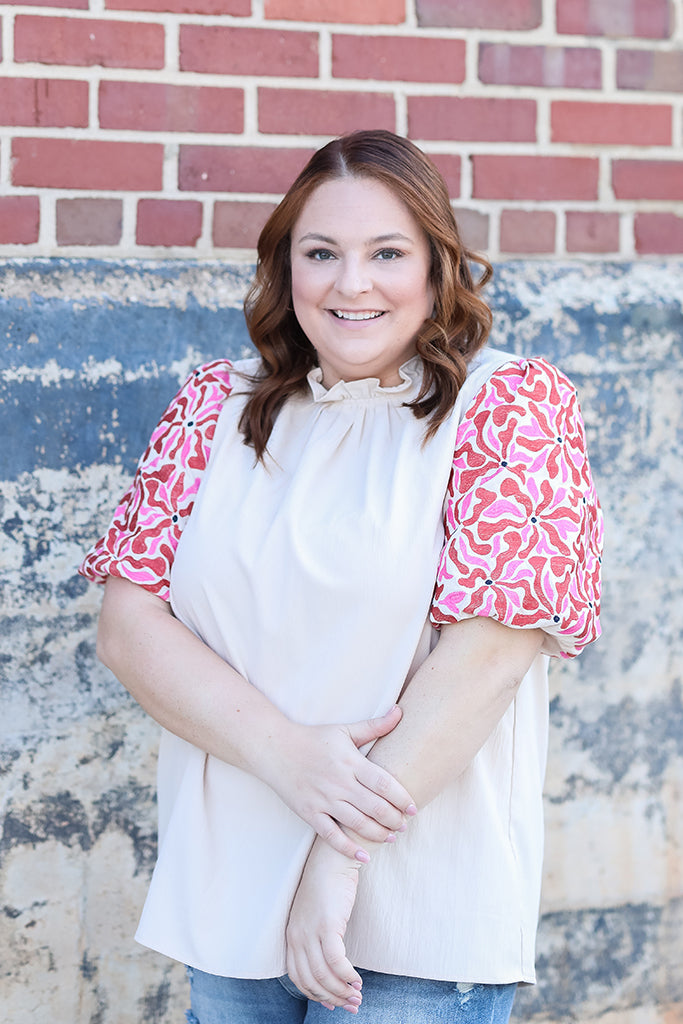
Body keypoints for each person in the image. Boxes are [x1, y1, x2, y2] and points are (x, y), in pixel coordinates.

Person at [80, 129, 603, 1023]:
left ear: (438, 268)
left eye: (387, 253)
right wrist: (292, 760)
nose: (350, 284)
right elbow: (129, 629)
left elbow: (485, 662)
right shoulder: (214, 407)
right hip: (230, 889)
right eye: (320, 253)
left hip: (414, 910)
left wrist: (337, 854)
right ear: (286, 269)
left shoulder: (511, 407)